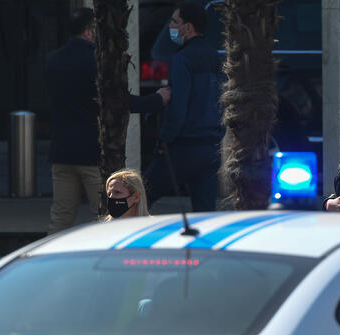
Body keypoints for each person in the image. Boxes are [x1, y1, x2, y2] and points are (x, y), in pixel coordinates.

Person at [46, 8, 170, 234]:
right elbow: (117, 101)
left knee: (61, 216)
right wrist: (156, 100)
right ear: (89, 32)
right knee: (107, 214)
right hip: (92, 151)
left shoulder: (53, 60)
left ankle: (49, 255)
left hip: (62, 151)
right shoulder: (96, 61)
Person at [144, 2, 224, 212]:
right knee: (205, 211)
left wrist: (165, 137)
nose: (170, 26)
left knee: (138, 196)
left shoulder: (182, 59)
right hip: (211, 147)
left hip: (184, 146)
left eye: (174, 22)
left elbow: (178, 106)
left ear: (187, 28)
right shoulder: (215, 56)